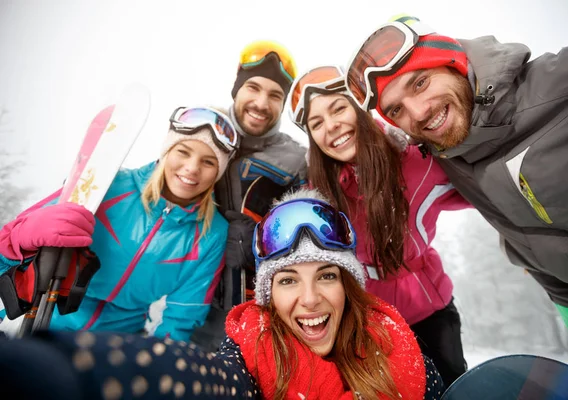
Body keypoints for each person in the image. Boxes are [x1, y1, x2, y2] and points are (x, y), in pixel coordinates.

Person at [0, 189, 445, 400]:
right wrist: (65, 370)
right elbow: (194, 376)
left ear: (348, 285)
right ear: (268, 293)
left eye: (326, 276)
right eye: (288, 280)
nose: (309, 299)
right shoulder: (253, 352)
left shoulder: (398, 348)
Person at [346, 15, 568, 370]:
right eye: (396, 110)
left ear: (453, 61)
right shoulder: (443, 151)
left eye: (420, 83)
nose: (418, 113)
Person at [288, 65, 471, 385]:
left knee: (450, 387)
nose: (330, 127)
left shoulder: (419, 161)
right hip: (369, 317)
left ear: (359, 107)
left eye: (338, 108)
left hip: (432, 311)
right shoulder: (318, 196)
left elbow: (483, 188)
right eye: (316, 123)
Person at [0, 106, 237, 342]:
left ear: (218, 172)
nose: (192, 168)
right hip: (46, 318)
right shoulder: (110, 186)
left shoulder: (212, 234)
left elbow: (183, 316)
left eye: (208, 162)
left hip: (117, 345)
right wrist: (27, 235)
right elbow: (6, 246)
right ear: (167, 151)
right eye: (183, 152)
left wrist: (160, 364)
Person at [194, 40, 308, 350]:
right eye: (253, 88)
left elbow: (306, 239)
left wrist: (261, 239)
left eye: (275, 95)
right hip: (188, 305)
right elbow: (156, 189)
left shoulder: (296, 160)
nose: (261, 103)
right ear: (237, 89)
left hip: (257, 315)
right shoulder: (201, 131)